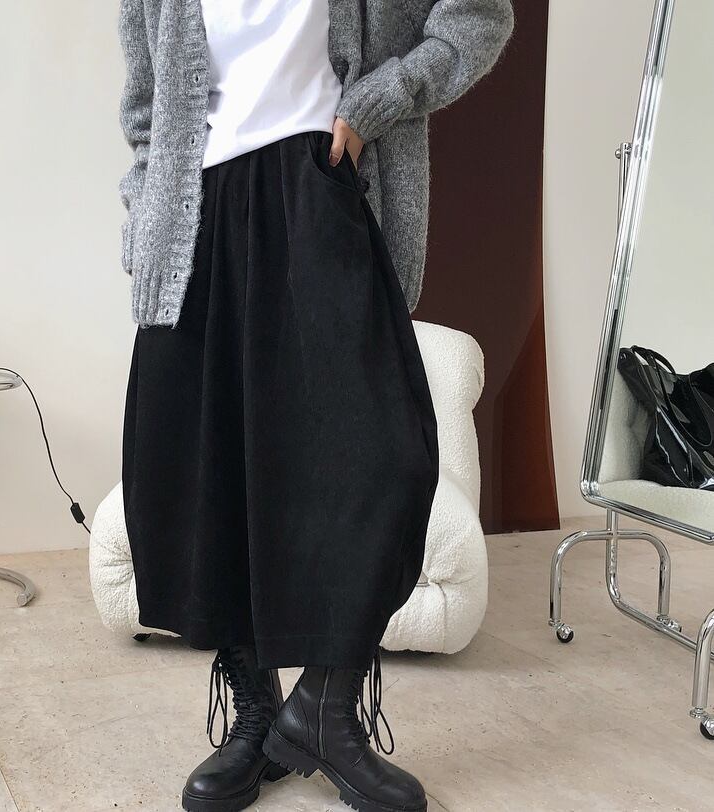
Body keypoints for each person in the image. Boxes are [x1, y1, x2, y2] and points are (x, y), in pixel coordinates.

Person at [118, 1, 514, 810]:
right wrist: (144, 219)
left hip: (322, 185)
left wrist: (379, 101)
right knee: (211, 473)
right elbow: (146, 107)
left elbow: (480, 17)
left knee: (390, 456)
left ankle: (325, 710)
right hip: (193, 219)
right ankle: (257, 713)